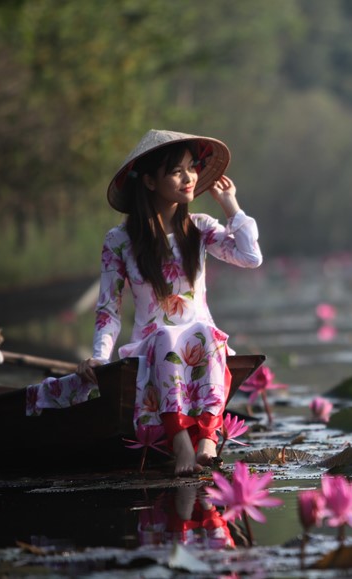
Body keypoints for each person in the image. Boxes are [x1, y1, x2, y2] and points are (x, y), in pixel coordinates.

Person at [74, 129, 262, 475]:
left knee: (205, 332)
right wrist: (100, 356)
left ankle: (206, 436)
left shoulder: (200, 228)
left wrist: (231, 205)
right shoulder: (120, 240)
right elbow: (108, 308)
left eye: (191, 167)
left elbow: (251, 256)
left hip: (202, 345)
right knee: (164, 336)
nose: (189, 177)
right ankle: (178, 442)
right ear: (148, 181)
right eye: (177, 170)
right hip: (151, 347)